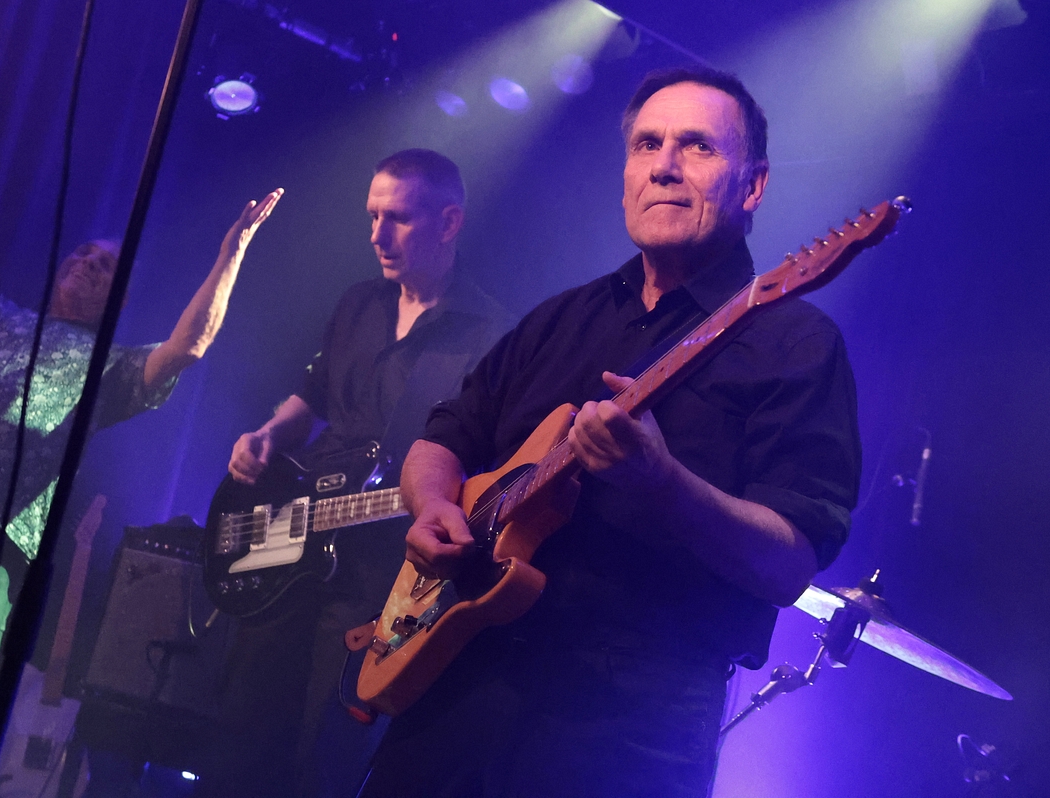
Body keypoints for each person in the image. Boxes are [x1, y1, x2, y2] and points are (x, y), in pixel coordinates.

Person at [359, 67, 862, 798]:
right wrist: (433, 504)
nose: (664, 166)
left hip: (630, 721)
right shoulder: (560, 317)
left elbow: (789, 566)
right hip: (458, 680)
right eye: (647, 145)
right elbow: (443, 438)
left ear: (753, 186)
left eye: (698, 146)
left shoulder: (797, 343)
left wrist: (664, 483)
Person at [0, 59, 282, 795]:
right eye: (81, 253)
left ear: (120, 294)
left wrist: (230, 252)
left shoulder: (113, 363)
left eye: (104, 264)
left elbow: (190, 346)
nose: (85, 262)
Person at [200, 149, 513, 798]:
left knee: (323, 752)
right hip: (296, 531)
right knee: (240, 731)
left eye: (397, 218)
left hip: (381, 571)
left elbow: (485, 460)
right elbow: (313, 396)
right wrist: (266, 436)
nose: (376, 234)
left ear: (449, 222)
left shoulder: (489, 334)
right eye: (372, 216)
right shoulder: (358, 304)